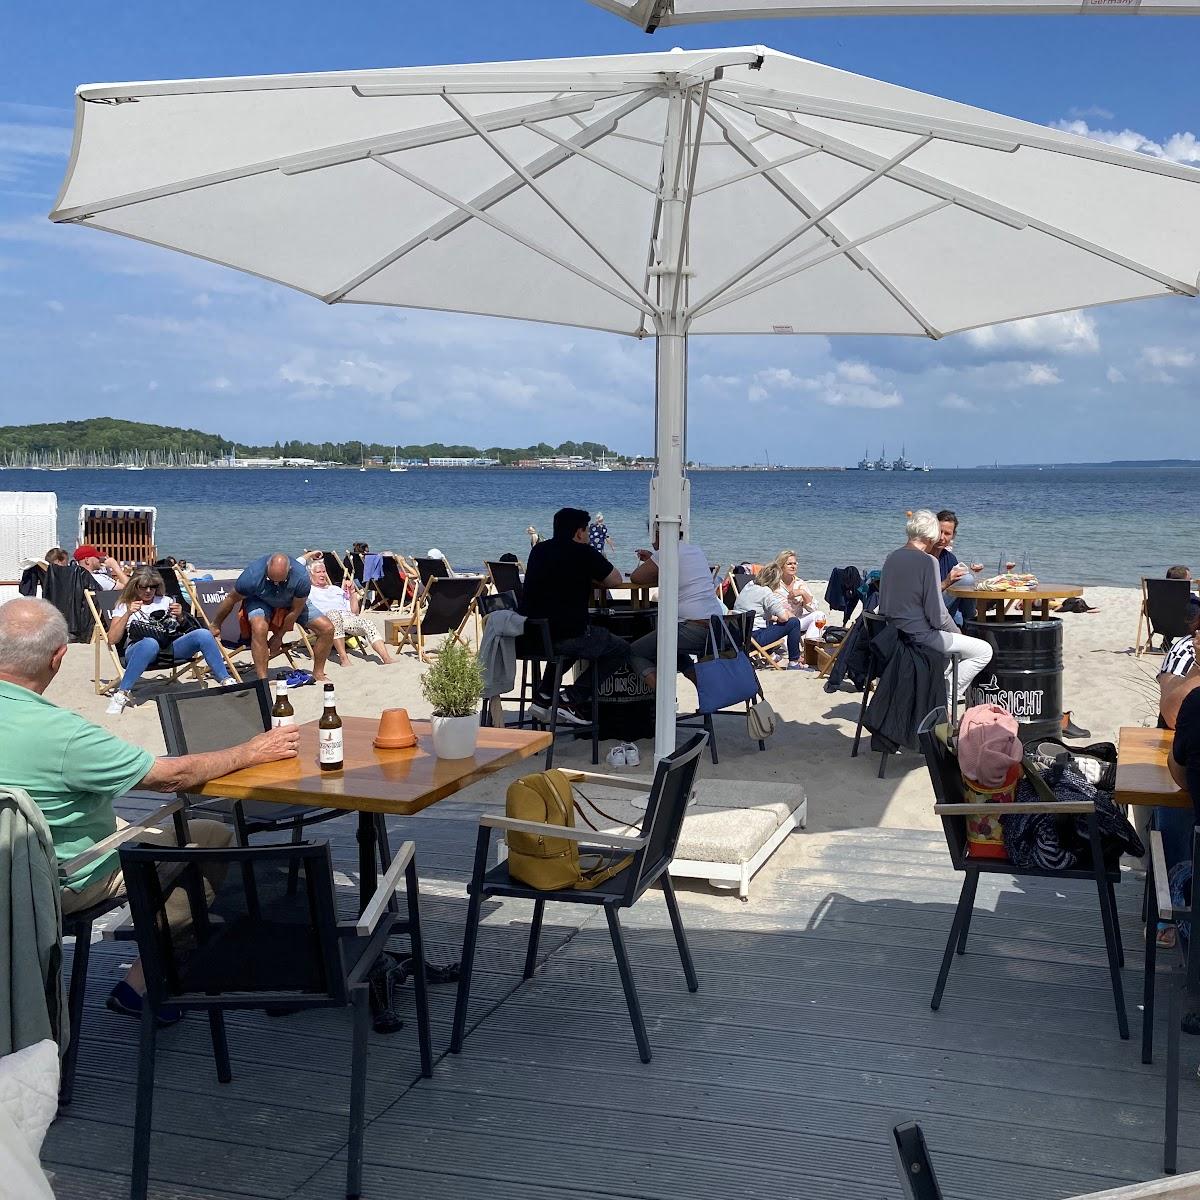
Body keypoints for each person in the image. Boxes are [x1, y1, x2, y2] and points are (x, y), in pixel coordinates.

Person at [0, 598, 299, 1023]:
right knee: (209, 837)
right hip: (52, 882)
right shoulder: (64, 735)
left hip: (13, 869)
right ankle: (144, 982)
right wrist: (250, 751)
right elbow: (172, 777)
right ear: (58, 657)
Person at [519, 507, 631, 723]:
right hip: (566, 636)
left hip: (533, 636)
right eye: (586, 530)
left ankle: (543, 696)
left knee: (570, 640)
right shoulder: (584, 553)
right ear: (579, 532)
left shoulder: (539, 550)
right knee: (619, 648)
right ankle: (571, 698)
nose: (588, 534)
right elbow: (615, 580)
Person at [879, 509, 993, 702]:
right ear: (932, 534)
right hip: (918, 637)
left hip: (893, 635)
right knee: (983, 651)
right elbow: (937, 615)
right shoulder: (928, 561)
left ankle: (932, 694)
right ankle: (947, 699)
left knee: (947, 659)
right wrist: (957, 632)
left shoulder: (892, 557)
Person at [104, 567, 236, 714]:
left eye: (153, 586)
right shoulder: (125, 605)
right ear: (135, 586)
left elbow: (184, 629)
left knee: (204, 634)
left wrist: (181, 617)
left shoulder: (166, 601)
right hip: (139, 650)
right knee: (150, 643)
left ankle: (226, 681)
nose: (148, 591)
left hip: (168, 647)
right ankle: (121, 694)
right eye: (143, 587)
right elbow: (112, 639)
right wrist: (128, 614)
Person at [209, 552, 335, 681]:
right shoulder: (252, 576)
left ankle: (318, 673)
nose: (275, 583)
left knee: (327, 629)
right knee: (259, 628)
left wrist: (279, 636)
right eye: (271, 580)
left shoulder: (301, 577)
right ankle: (263, 680)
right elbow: (231, 599)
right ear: (267, 567)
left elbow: (295, 611)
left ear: (289, 570)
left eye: (281, 581)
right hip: (260, 599)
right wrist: (216, 623)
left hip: (291, 601)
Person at [628, 529, 724, 689]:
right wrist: (654, 558)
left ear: (658, 534)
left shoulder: (666, 552)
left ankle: (664, 697)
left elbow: (636, 577)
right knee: (674, 653)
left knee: (634, 652)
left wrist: (654, 558)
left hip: (692, 628)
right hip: (717, 627)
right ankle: (706, 689)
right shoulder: (695, 550)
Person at [302, 554, 394, 666]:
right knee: (334, 614)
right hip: (324, 621)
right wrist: (310, 554)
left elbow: (354, 612)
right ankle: (344, 659)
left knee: (368, 623)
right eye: (318, 572)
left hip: (346, 618)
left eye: (324, 571)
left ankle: (386, 658)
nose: (322, 574)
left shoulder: (335, 589)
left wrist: (352, 593)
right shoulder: (308, 590)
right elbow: (295, 566)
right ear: (310, 574)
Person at [734, 563, 807, 668]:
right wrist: (786, 614)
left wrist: (775, 617)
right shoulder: (766, 592)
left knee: (771, 620)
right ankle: (794, 662)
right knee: (794, 623)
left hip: (738, 635)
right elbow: (784, 617)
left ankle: (771, 655)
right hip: (753, 639)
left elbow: (757, 612)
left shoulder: (750, 585)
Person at [934, 511, 983, 627]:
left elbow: (960, 599)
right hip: (927, 610)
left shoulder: (950, 559)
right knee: (967, 579)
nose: (942, 537)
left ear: (953, 535)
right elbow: (919, 595)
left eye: (947, 533)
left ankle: (968, 622)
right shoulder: (922, 556)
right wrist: (946, 582)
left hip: (946, 610)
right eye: (939, 532)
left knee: (966, 581)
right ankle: (969, 622)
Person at [773, 550, 827, 645]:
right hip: (779, 622)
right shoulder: (774, 584)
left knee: (820, 615)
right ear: (781, 566)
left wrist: (803, 593)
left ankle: (809, 647)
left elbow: (813, 608)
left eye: (795, 563)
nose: (793, 566)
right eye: (789, 564)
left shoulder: (800, 583)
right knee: (792, 649)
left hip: (797, 621)